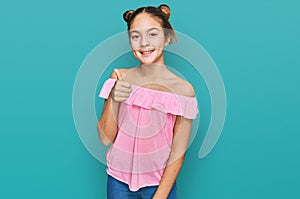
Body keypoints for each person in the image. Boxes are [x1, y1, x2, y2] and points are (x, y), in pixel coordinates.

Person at [97, 4, 199, 199]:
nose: (144, 43)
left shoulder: (184, 90)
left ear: (167, 38)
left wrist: (160, 196)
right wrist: (113, 97)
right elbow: (104, 138)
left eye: (153, 34)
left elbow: (178, 152)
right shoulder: (119, 76)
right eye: (136, 36)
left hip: (159, 184)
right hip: (118, 182)